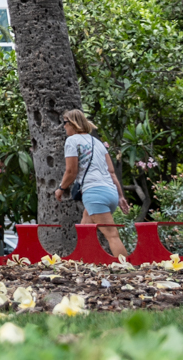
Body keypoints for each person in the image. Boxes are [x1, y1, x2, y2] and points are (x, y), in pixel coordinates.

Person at [58, 109, 128, 260]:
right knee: (85, 229)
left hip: (94, 192)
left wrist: (61, 188)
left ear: (73, 124)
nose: (64, 127)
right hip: (110, 192)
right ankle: (83, 262)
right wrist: (121, 197)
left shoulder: (72, 141)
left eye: (65, 123)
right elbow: (112, 172)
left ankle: (128, 269)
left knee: (112, 235)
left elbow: (71, 171)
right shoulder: (97, 142)